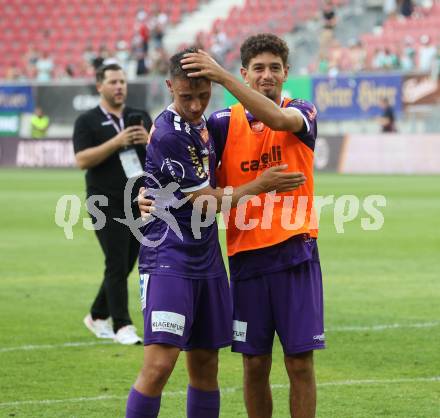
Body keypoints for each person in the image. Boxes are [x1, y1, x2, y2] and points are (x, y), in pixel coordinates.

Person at [125, 47, 306, 418]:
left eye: (202, 95)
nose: (194, 105)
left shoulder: (207, 125)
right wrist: (260, 185)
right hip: (168, 257)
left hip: (207, 258)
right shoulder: (169, 132)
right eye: (185, 96)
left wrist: (148, 189)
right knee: (159, 364)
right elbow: (205, 202)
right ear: (169, 86)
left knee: (207, 364)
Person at [180, 34, 325, 418]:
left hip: (296, 253)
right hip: (246, 259)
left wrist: (225, 79)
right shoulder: (222, 125)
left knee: (299, 363)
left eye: (274, 68)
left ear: (286, 73)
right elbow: (196, 186)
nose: (266, 75)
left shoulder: (302, 112)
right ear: (247, 72)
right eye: (257, 68)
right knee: (255, 364)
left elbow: (276, 118)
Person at [72, 63, 152, 345]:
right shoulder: (88, 121)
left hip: (137, 200)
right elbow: (82, 160)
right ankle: (122, 325)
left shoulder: (139, 116)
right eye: (113, 82)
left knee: (127, 263)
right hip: (103, 201)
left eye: (122, 81)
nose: (119, 87)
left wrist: (149, 140)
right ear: (99, 86)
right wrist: (117, 141)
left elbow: (159, 153)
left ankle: (96, 314)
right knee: (116, 261)